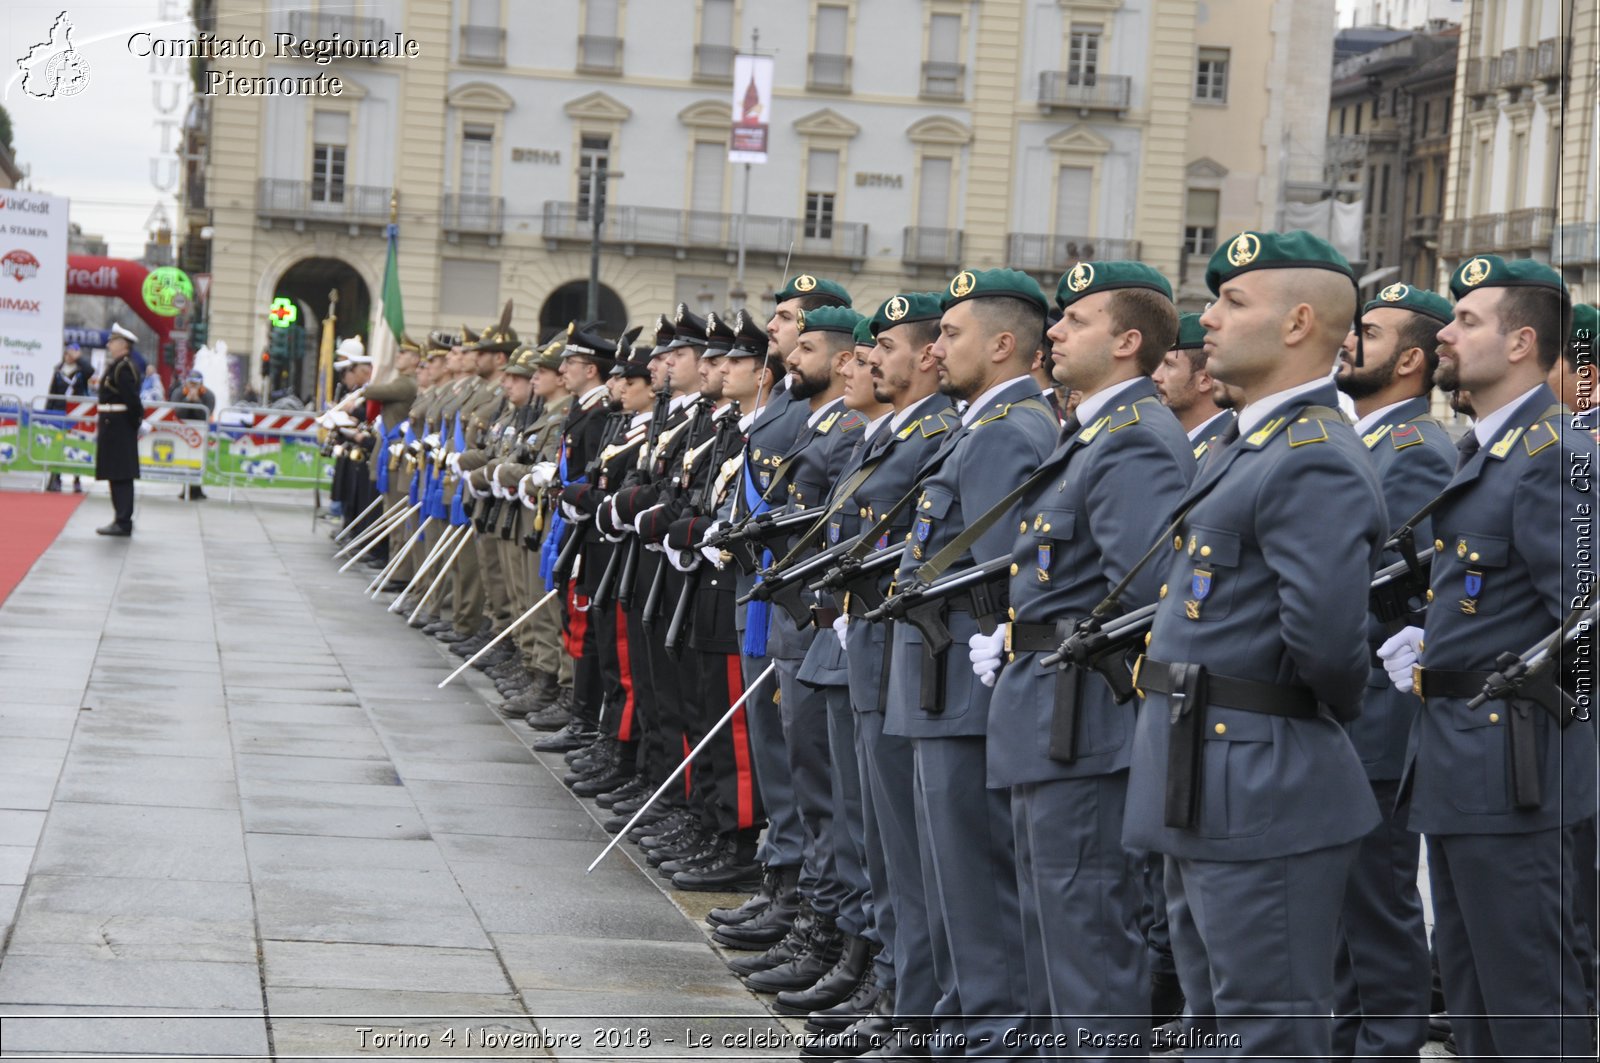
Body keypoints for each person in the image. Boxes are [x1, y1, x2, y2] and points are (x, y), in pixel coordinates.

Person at [1123, 230, 1387, 1057]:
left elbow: (1332, 651)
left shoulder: (1312, 458)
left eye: (1233, 302)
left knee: (1267, 1026)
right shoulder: (1248, 444)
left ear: (1300, 321)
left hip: (1261, 773)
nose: (1208, 321)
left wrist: (1288, 721)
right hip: (1202, 768)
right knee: (1212, 1022)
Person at [1377, 254, 1596, 1060]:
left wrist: (1547, 736)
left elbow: (1587, 631)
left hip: (1519, 771)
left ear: (1521, 343)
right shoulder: (1485, 449)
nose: (1447, 332)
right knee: (1473, 1000)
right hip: (1463, 760)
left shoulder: (1554, 454)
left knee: (1531, 1001)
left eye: (1468, 320)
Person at [975, 260, 1193, 1055]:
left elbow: (1145, 602)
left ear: (1129, 341)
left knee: (1089, 938)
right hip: (1046, 712)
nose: (1055, 330)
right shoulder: (1094, 432)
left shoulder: (1136, 441)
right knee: (1050, 933)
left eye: (1076, 319)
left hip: (1087, 722)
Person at [1331, 281, 1457, 1061]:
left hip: (1378, 718)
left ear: (1411, 359)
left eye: (1368, 333)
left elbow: (1384, 588)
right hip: (1351, 714)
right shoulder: (1368, 443)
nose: (1350, 341)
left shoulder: (1415, 452)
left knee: (1376, 911)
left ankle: (1388, 1047)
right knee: (1346, 917)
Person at [94, 325, 145, 536]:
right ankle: (120, 518)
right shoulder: (118, 365)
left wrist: (132, 424)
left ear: (123, 345)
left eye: (112, 341)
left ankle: (123, 520)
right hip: (114, 425)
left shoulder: (123, 367)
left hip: (119, 426)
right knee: (115, 474)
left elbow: (132, 401)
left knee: (121, 474)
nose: (109, 345)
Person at [46, 343, 92, 492]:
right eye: (68, 353)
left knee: (75, 445)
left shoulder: (81, 371)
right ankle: (56, 477)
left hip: (75, 413)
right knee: (57, 445)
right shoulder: (59, 370)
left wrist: (79, 359)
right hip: (59, 412)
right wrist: (47, 412)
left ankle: (77, 479)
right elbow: (52, 392)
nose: (69, 356)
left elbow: (90, 371)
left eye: (73, 353)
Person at [173, 370, 217, 500]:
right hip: (183, 432)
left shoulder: (208, 395)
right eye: (190, 384)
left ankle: (197, 489)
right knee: (185, 460)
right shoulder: (179, 393)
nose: (192, 387)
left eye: (195, 384)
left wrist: (197, 401)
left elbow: (206, 414)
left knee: (198, 461)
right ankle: (185, 488)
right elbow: (177, 413)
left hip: (200, 432)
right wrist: (188, 400)